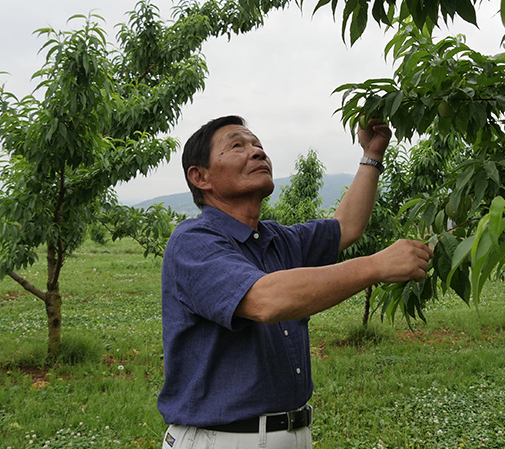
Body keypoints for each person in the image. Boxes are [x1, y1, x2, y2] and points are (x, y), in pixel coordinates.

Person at [158, 115, 433, 449]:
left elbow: (346, 226)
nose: (257, 152)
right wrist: (376, 266)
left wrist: (372, 154)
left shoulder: (275, 239)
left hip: (293, 434)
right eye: (237, 145)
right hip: (222, 440)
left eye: (258, 144)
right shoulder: (193, 240)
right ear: (200, 177)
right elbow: (264, 300)